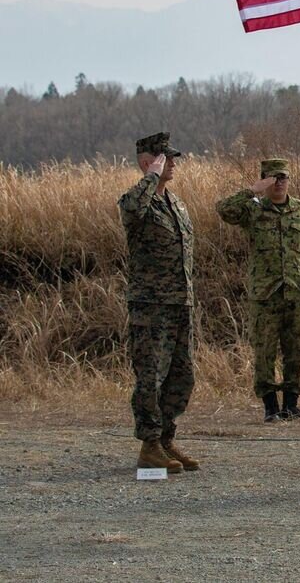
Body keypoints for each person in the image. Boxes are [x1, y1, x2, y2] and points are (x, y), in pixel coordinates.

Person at [118, 132, 199, 474]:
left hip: (179, 304)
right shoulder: (137, 202)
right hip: (151, 307)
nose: (172, 163)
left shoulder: (175, 203)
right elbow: (130, 207)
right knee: (151, 378)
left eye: (172, 158)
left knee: (182, 377)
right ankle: (149, 446)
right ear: (147, 160)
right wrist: (151, 175)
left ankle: (165, 440)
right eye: (165, 158)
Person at [216, 159, 300, 422]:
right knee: (265, 352)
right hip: (265, 295)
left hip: (296, 294)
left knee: (296, 350)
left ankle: (292, 405)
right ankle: (271, 406)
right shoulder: (253, 211)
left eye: (284, 177)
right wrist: (252, 190)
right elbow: (224, 210)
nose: (280, 182)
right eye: (274, 178)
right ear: (265, 180)